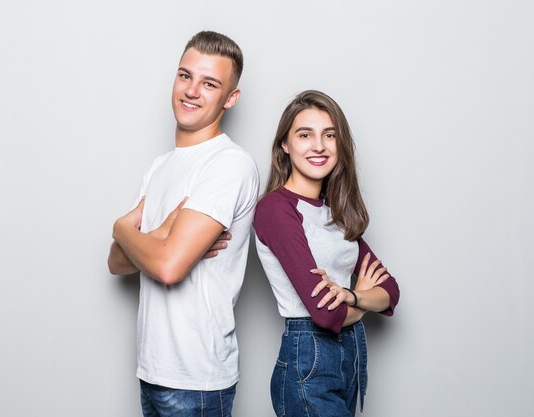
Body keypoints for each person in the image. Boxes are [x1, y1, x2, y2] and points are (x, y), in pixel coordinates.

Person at [107, 31, 259, 417]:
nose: (192, 91)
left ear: (230, 98)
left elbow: (168, 267)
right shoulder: (161, 167)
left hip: (197, 381)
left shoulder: (229, 164)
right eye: (185, 76)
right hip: (152, 369)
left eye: (210, 83)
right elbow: (115, 263)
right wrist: (159, 238)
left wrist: (123, 230)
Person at [253, 90, 400, 417]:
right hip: (310, 358)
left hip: (350, 356)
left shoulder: (336, 213)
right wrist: (361, 300)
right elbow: (325, 315)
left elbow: (390, 292)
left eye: (329, 135)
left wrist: (350, 296)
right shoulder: (276, 209)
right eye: (305, 135)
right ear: (285, 146)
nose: (318, 145)